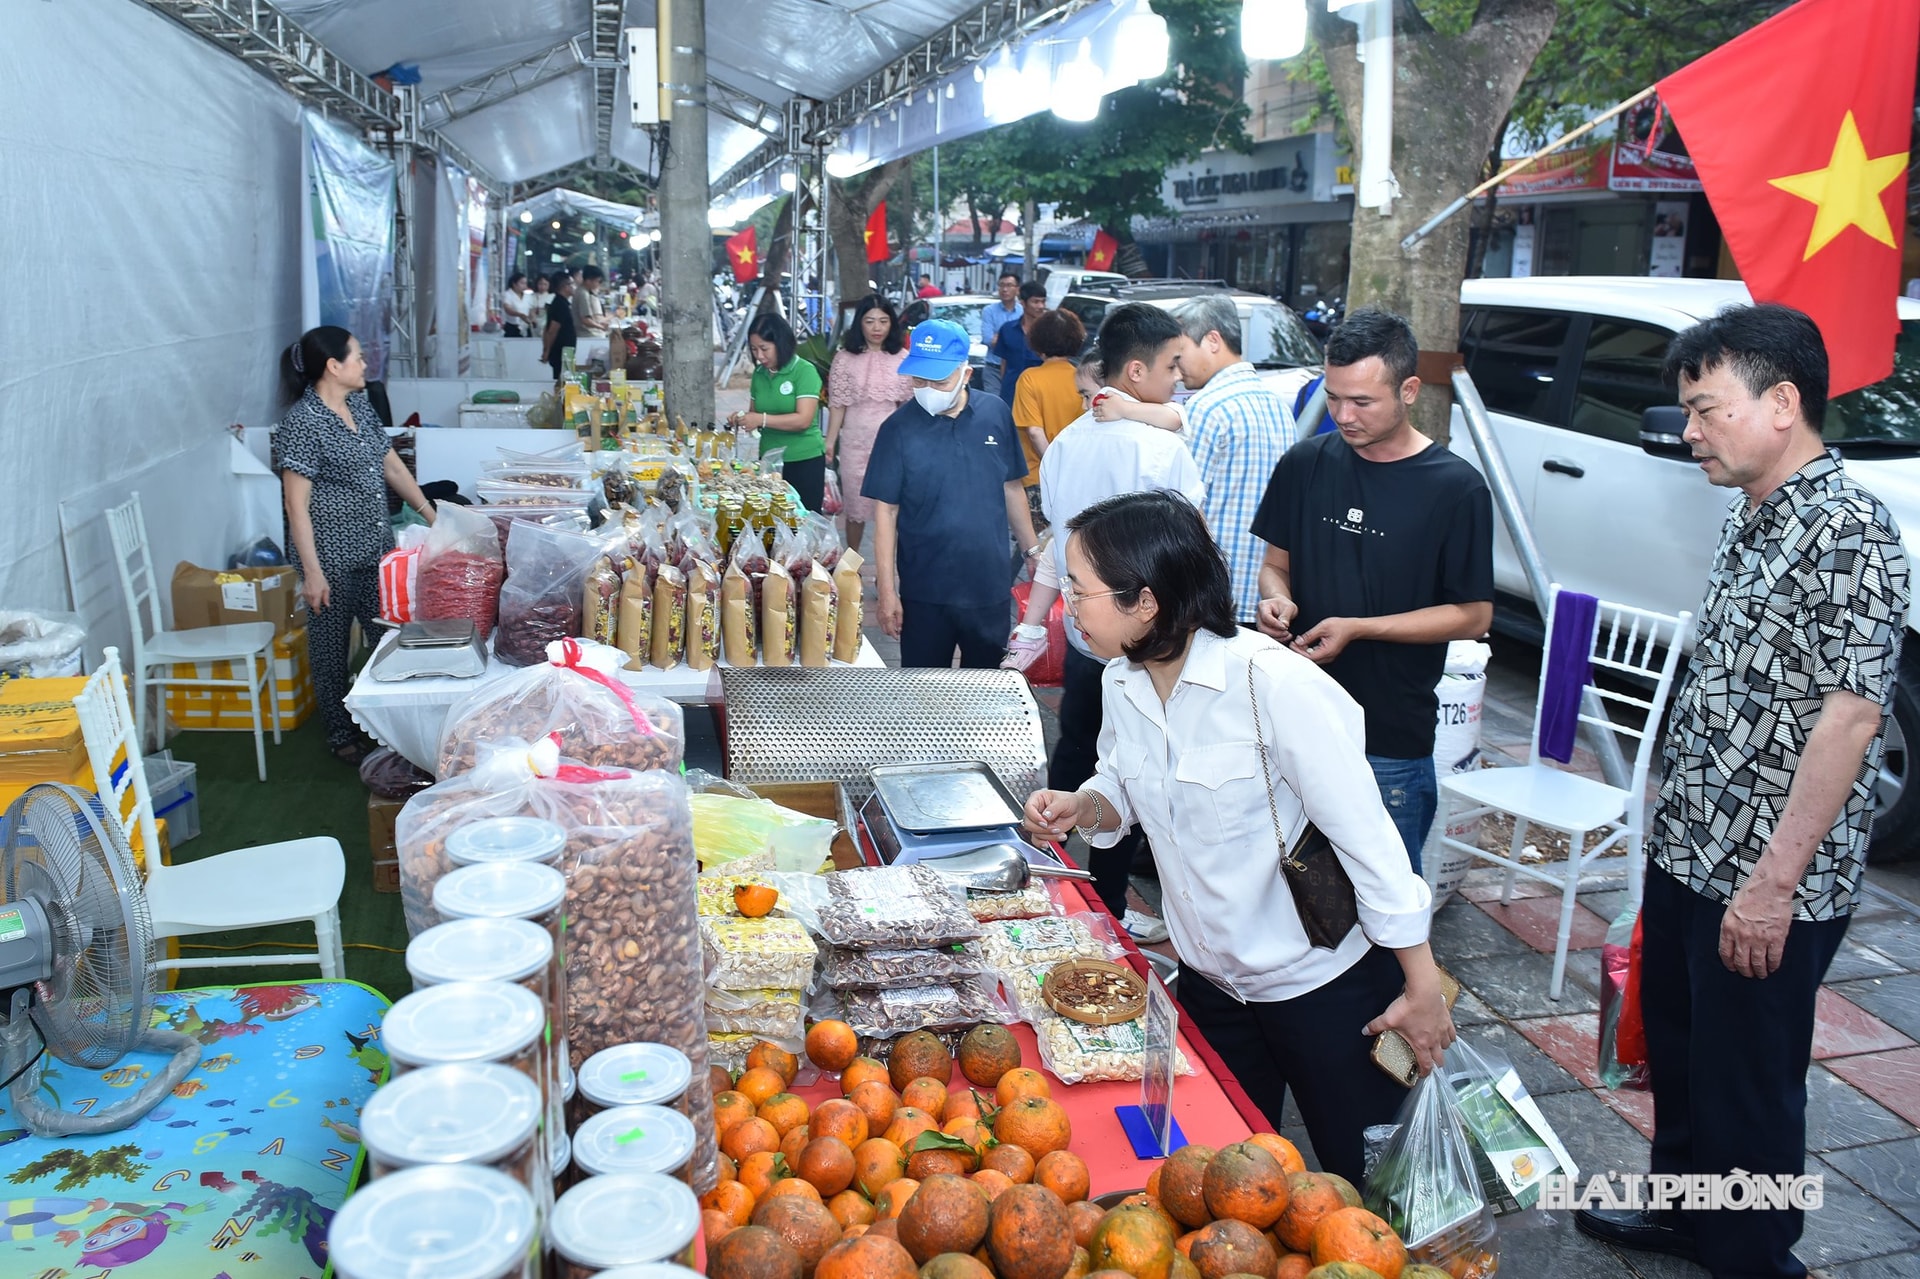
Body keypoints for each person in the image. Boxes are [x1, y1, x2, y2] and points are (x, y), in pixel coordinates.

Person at [1574, 306, 1909, 1279]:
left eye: (1705, 409)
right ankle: (1690, 1212)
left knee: (1750, 1087)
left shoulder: (1849, 529)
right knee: (1679, 1061)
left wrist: (1772, 883)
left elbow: (1849, 718)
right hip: (1692, 853)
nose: (1690, 432)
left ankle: (1757, 1256)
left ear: (1783, 402)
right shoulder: (1753, 508)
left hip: (1769, 879)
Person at [1022, 490, 1454, 1185]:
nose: (1067, 603)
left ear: (1146, 601)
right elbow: (1122, 792)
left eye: (1080, 588)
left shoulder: (1272, 686)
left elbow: (1369, 840)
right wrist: (1081, 806)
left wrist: (1422, 984)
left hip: (1321, 986)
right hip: (1214, 985)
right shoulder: (1121, 682)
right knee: (1232, 1185)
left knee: (1376, 1183)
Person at [1252, 308, 1494, 875]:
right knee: (1291, 881)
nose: (1343, 415)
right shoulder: (1305, 462)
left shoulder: (1455, 488)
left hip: (1388, 730)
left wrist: (1361, 628)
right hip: (1295, 716)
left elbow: (1473, 614)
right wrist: (1275, 599)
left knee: (1384, 890)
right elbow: (1274, 566)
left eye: (1362, 401)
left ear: (1409, 389)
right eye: (1334, 398)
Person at [1039, 304, 1204, 940]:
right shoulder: (1162, 447)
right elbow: (1190, 548)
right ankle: (1108, 903)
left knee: (1081, 746)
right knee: (1132, 764)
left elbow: (1059, 537)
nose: (1177, 381)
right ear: (1135, 370)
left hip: (1088, 629)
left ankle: (1059, 881)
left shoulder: (1065, 446)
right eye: (1170, 367)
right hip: (1150, 638)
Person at [273, 327, 437, 766]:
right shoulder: (303, 423)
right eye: (359, 357)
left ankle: (386, 727)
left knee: (388, 638)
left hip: (375, 549)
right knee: (330, 649)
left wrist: (434, 517)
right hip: (327, 557)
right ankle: (340, 735)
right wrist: (312, 573)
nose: (366, 364)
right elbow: (296, 504)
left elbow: (392, 467)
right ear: (333, 366)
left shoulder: (359, 406)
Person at [863, 318, 1039, 668]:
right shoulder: (897, 429)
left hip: (987, 583)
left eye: (938, 380)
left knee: (988, 689)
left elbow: (1011, 487)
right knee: (924, 695)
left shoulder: (995, 414)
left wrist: (1032, 550)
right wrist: (886, 591)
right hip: (924, 589)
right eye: (918, 379)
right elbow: (886, 512)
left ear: (966, 374)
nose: (927, 387)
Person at [1172, 296, 1298, 625]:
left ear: (1213, 341)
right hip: (1267, 595)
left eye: (1179, 351)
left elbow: (1182, 510)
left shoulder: (1206, 407)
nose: (1175, 366)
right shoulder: (1277, 404)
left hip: (1214, 595)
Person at [825, 295, 912, 554]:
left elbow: (905, 408)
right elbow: (838, 404)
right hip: (854, 442)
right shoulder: (844, 358)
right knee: (855, 507)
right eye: (870, 321)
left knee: (891, 505)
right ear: (859, 324)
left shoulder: (902, 358)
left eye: (883, 321)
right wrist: (830, 441)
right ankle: (852, 563)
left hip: (890, 444)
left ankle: (890, 565)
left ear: (892, 324)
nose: (877, 328)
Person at [731, 313, 827, 511]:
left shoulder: (804, 371)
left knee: (803, 521)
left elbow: (804, 420)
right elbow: (755, 414)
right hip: (770, 462)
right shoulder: (759, 374)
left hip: (804, 459)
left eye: (764, 349)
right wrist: (743, 418)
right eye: (754, 349)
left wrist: (761, 419)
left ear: (781, 343)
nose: (759, 356)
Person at [1009, 309, 1088, 534]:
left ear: (1037, 341)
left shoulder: (1029, 379)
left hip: (1038, 476)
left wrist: (1055, 465)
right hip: (1078, 475)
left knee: (1041, 546)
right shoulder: (1082, 378)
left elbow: (1034, 431)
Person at [996, 281, 1049, 406]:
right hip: (1011, 393)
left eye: (1043, 301)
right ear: (1023, 303)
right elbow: (1004, 363)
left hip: (1041, 395)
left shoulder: (1051, 331)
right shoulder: (1007, 329)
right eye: (1035, 302)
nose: (1040, 306)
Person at [979, 271, 1022, 396]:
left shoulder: (1023, 312)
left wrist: (1000, 338)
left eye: (1009, 285)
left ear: (1017, 289)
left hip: (1016, 369)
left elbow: (1027, 341)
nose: (1004, 289)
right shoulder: (989, 311)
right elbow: (988, 339)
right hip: (993, 369)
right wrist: (1014, 340)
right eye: (1001, 285)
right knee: (994, 405)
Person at [540, 271, 577, 383]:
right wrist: (547, 350)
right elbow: (552, 331)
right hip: (561, 351)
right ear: (564, 287)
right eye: (571, 284)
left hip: (566, 351)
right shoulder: (560, 305)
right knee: (561, 381)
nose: (574, 287)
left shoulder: (562, 303)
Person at [575, 264, 610, 336]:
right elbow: (585, 320)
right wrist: (601, 327)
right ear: (588, 281)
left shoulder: (581, 291)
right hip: (587, 334)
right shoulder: (583, 294)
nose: (598, 284)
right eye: (598, 281)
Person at [501, 272, 533, 338]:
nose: (524, 286)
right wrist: (520, 315)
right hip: (512, 327)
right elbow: (508, 309)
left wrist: (532, 318)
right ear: (514, 284)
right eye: (522, 283)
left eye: (525, 283)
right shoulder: (507, 294)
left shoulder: (527, 296)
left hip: (526, 326)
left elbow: (530, 310)